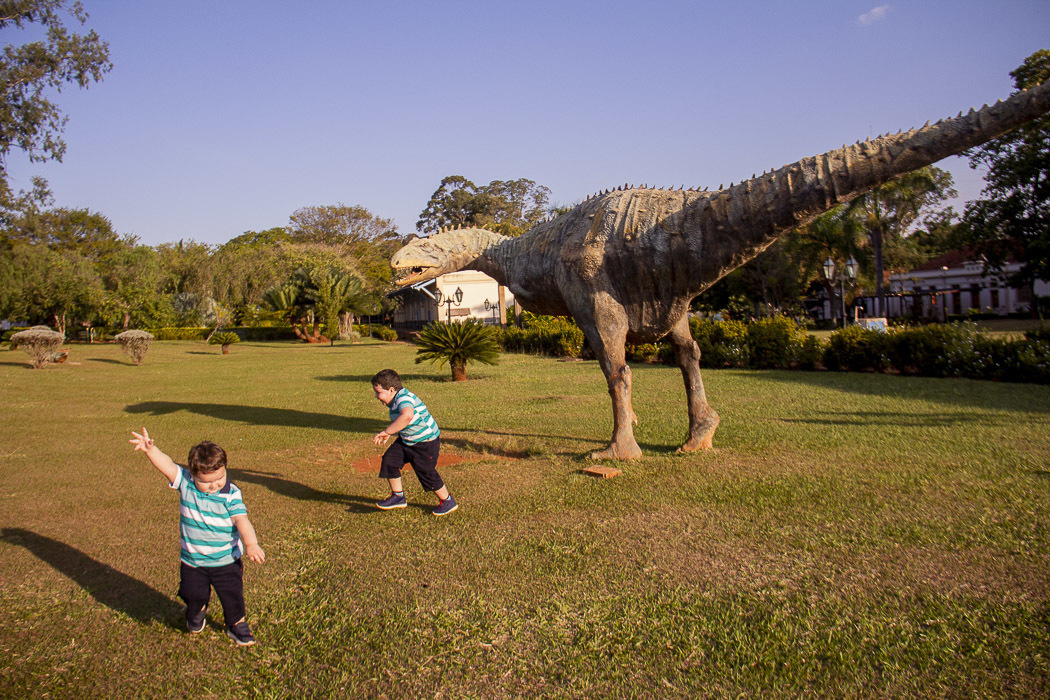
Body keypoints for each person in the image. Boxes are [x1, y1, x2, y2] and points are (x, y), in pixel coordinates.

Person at [129, 427, 265, 646]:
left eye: (220, 478)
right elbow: (168, 465)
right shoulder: (186, 484)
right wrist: (150, 450)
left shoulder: (231, 493)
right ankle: (197, 611)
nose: (214, 485)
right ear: (192, 475)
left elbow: (241, 520)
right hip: (193, 561)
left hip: (226, 560)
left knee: (233, 596)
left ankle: (237, 624)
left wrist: (251, 544)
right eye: (207, 481)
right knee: (194, 594)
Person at [371, 369, 458, 516]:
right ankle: (398, 497)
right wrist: (392, 432)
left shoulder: (403, 399)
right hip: (407, 440)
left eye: (379, 392)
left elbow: (407, 416)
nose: (376, 396)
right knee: (389, 461)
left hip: (425, 442)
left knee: (426, 472)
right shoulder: (395, 398)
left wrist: (387, 431)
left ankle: (448, 501)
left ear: (391, 390)